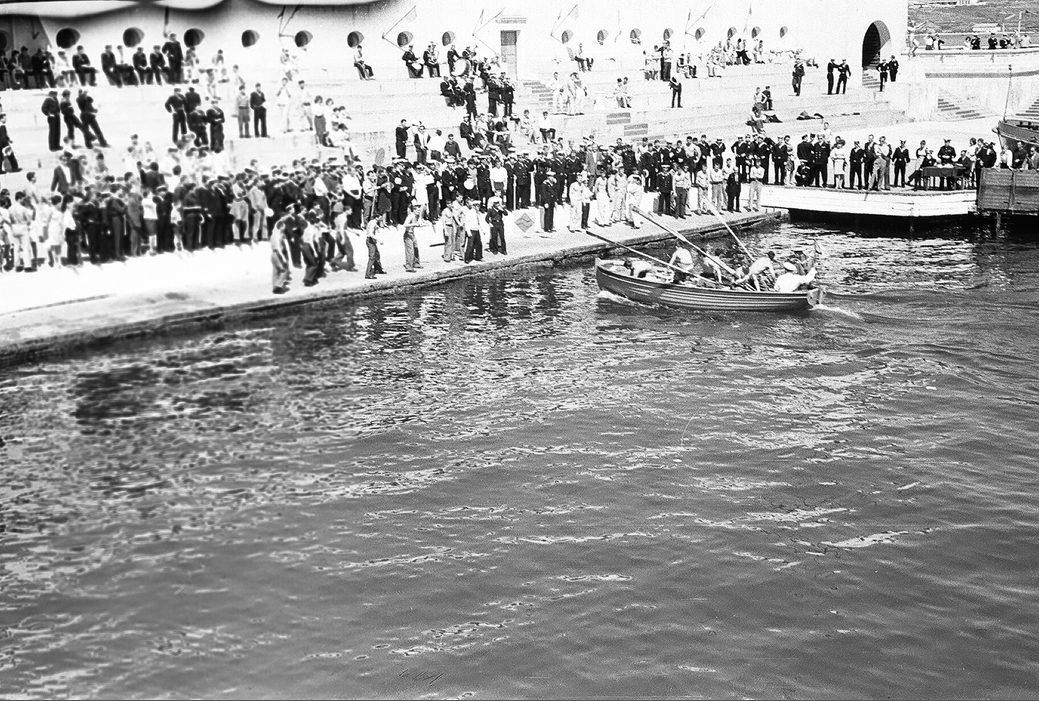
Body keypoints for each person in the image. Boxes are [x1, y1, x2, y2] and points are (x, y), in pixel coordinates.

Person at [270, 218, 291, 294]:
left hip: (273, 254)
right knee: (284, 270)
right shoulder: (278, 235)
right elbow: (278, 248)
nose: (284, 228)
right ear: (281, 227)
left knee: (275, 271)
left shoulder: (273, 234)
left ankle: (274, 286)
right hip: (278, 254)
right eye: (283, 226)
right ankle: (278, 286)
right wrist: (283, 258)